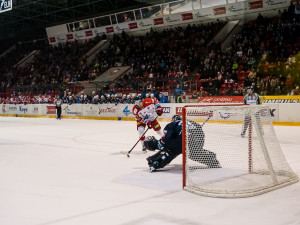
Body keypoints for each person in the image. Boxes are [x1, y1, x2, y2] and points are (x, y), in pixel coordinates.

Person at [144, 115, 220, 172]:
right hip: (199, 137)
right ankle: (212, 160)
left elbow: (167, 138)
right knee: (192, 152)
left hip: (183, 137)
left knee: (170, 150)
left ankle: (155, 162)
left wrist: (159, 144)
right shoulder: (189, 122)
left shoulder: (172, 124)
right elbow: (199, 129)